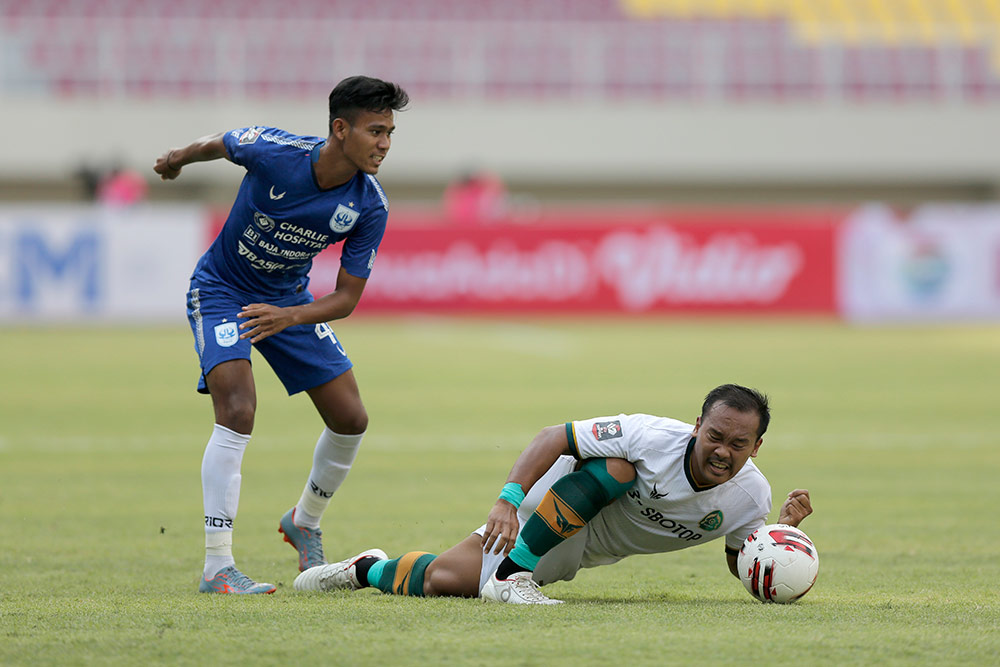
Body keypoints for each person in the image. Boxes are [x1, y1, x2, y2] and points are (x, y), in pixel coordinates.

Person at [153, 76, 409, 594]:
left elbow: (347, 298)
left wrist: (287, 316)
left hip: (286, 303)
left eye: (390, 132)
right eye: (375, 131)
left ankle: (305, 521)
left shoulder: (369, 205)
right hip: (223, 288)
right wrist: (177, 158)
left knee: (351, 418)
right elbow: (219, 143)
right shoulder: (275, 151)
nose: (384, 143)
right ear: (340, 129)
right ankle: (217, 566)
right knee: (239, 408)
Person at [294, 384, 813, 604]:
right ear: (696, 425)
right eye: (714, 436)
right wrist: (506, 500)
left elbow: (740, 563)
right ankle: (512, 575)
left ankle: (364, 568)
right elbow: (553, 436)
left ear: (757, 446)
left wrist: (780, 535)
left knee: (440, 581)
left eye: (737, 444)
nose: (722, 451)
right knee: (617, 469)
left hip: (579, 547)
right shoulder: (651, 436)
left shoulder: (750, 498)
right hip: (556, 500)